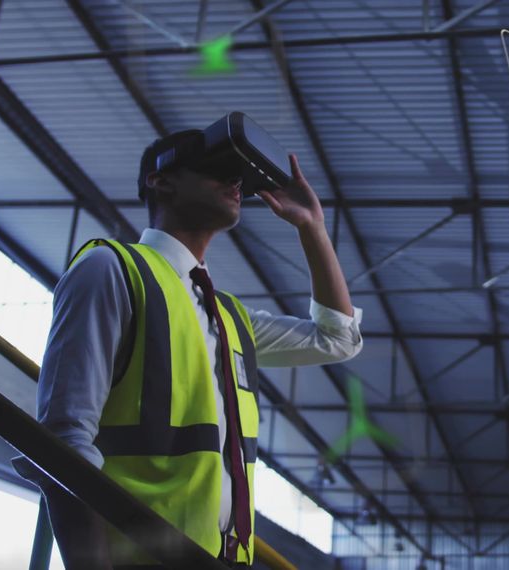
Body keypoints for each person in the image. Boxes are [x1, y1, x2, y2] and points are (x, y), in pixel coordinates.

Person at [32, 129, 362, 569]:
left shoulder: (229, 317)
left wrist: (312, 227)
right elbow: (65, 437)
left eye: (239, 178)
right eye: (219, 170)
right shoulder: (111, 270)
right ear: (161, 180)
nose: (235, 183)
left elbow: (337, 338)